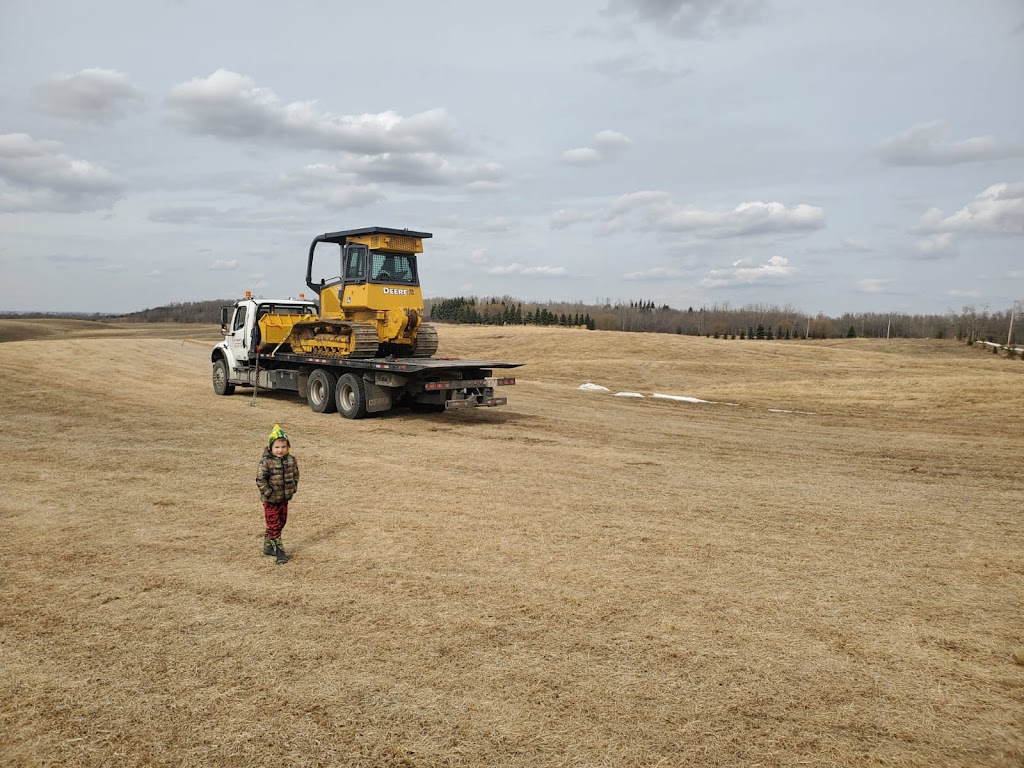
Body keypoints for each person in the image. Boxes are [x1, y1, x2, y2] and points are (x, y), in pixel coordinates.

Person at [256, 423, 299, 564]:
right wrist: (268, 492)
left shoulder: (291, 460)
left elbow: (295, 475)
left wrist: (293, 488)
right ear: (271, 447)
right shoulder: (266, 462)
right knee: (274, 524)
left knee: (281, 521)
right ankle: (280, 551)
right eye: (277, 447)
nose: (280, 450)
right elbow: (260, 479)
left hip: (284, 498)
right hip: (270, 500)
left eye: (283, 447)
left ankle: (268, 547)